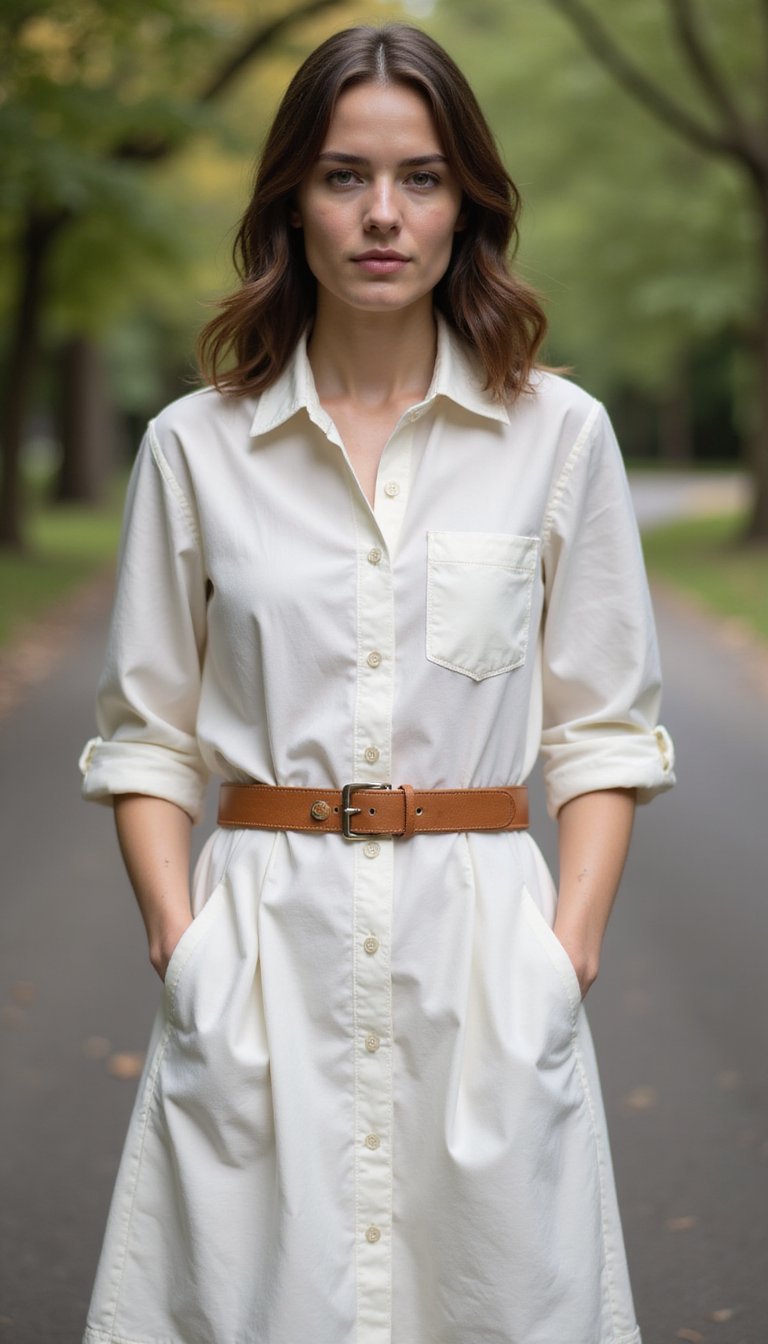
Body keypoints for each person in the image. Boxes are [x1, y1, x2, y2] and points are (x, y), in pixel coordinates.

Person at [78, 22, 675, 1344]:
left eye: (421, 177)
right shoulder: (194, 446)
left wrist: (563, 955)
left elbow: (602, 727)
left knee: (499, 1305)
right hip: (262, 957)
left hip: (483, 963)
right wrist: (184, 946)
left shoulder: (559, 436)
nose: (383, 215)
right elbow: (147, 734)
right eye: (345, 176)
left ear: (469, 203)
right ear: (292, 199)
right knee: (256, 1304)